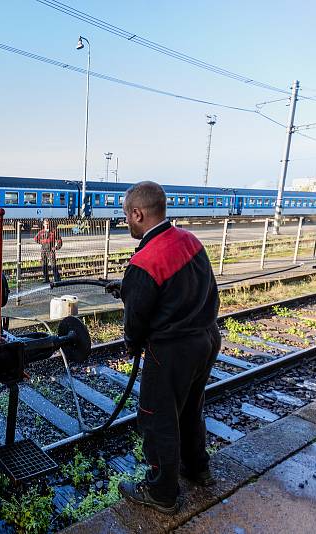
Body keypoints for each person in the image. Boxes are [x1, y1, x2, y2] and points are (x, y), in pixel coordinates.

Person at [111, 181, 220, 514]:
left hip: (171, 351)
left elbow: (137, 323)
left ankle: (162, 493)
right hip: (206, 338)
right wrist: (129, 287)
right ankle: (197, 468)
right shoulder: (189, 240)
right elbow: (193, 289)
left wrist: (131, 344)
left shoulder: (145, 261)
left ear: (138, 213)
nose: (125, 221)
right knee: (190, 408)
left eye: (126, 215)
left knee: (158, 419)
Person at [34, 218, 62, 283]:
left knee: (53, 264)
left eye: (48, 224)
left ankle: (57, 279)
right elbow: (35, 238)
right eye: (45, 224)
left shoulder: (53, 232)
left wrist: (56, 247)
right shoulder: (41, 232)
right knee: (44, 265)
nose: (47, 225)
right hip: (43, 249)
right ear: (43, 224)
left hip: (50, 250)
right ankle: (46, 279)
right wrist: (42, 242)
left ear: (49, 224)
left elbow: (59, 240)